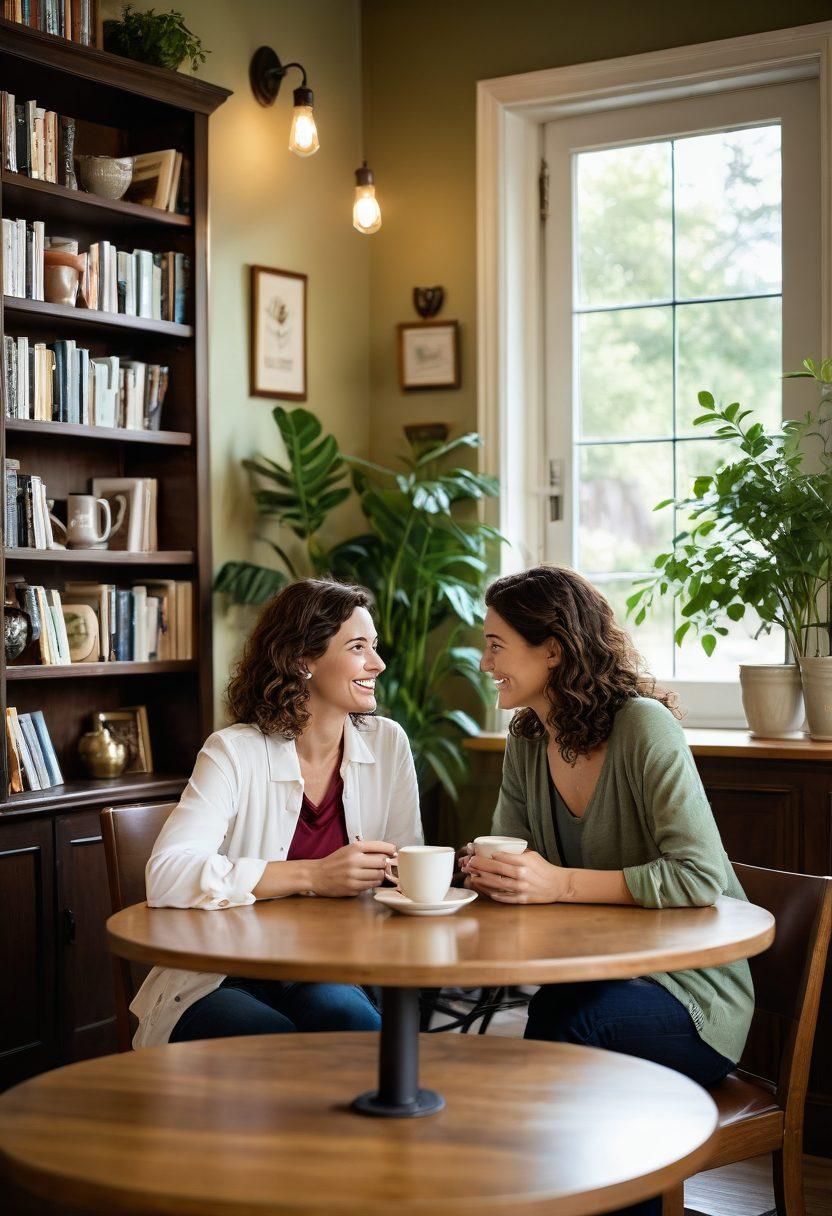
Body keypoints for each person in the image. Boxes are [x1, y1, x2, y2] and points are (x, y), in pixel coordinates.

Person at [463, 565, 753, 1087]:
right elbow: (517, 858)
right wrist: (493, 874)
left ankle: (545, 1164)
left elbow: (700, 876)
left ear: (552, 649)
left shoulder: (644, 727)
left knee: (574, 1023)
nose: (485, 663)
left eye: (496, 645)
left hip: (691, 995)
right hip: (595, 975)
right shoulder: (526, 738)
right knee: (559, 1013)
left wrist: (558, 884)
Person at [130, 578, 422, 1048]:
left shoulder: (388, 743)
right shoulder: (232, 751)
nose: (377, 662)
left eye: (375, 646)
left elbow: (408, 866)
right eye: (357, 647)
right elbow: (166, 875)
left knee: (352, 1027)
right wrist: (313, 875)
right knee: (266, 1038)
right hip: (222, 971)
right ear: (304, 659)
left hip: (329, 966)